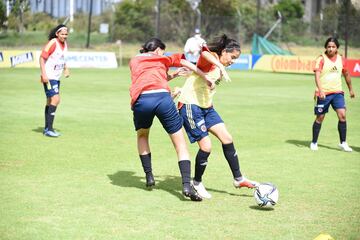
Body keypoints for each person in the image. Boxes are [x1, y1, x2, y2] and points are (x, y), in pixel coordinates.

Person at [129, 38, 213, 201]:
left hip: (142, 100)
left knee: (143, 135)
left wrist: (173, 75)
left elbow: (150, 78)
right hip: (163, 98)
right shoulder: (163, 58)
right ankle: (187, 186)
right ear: (159, 50)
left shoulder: (134, 61)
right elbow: (185, 62)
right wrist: (204, 76)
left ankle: (149, 176)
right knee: (180, 144)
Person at [177, 34, 259, 199]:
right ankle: (197, 182)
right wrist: (220, 67)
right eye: (232, 57)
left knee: (227, 138)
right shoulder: (212, 58)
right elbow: (204, 54)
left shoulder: (217, 62)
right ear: (223, 51)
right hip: (190, 105)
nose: (233, 61)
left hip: (207, 107)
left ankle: (238, 178)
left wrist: (215, 72)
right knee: (206, 147)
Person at [310, 37, 355, 152]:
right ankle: (314, 142)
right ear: (326, 47)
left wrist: (350, 89)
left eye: (333, 47)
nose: (331, 49)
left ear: (337, 48)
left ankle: (343, 143)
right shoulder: (321, 59)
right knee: (320, 117)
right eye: (329, 46)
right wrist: (320, 90)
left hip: (337, 93)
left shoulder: (341, 59)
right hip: (323, 93)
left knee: (342, 115)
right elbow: (317, 76)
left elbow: (346, 74)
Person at [39, 24, 70, 137]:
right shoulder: (53, 42)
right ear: (57, 34)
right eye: (62, 34)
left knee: (50, 101)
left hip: (56, 78)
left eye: (66, 34)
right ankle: (49, 129)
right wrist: (44, 74)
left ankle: (47, 128)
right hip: (49, 77)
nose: (64, 36)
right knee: (56, 99)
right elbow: (42, 58)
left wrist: (66, 68)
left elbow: (63, 58)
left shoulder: (65, 44)